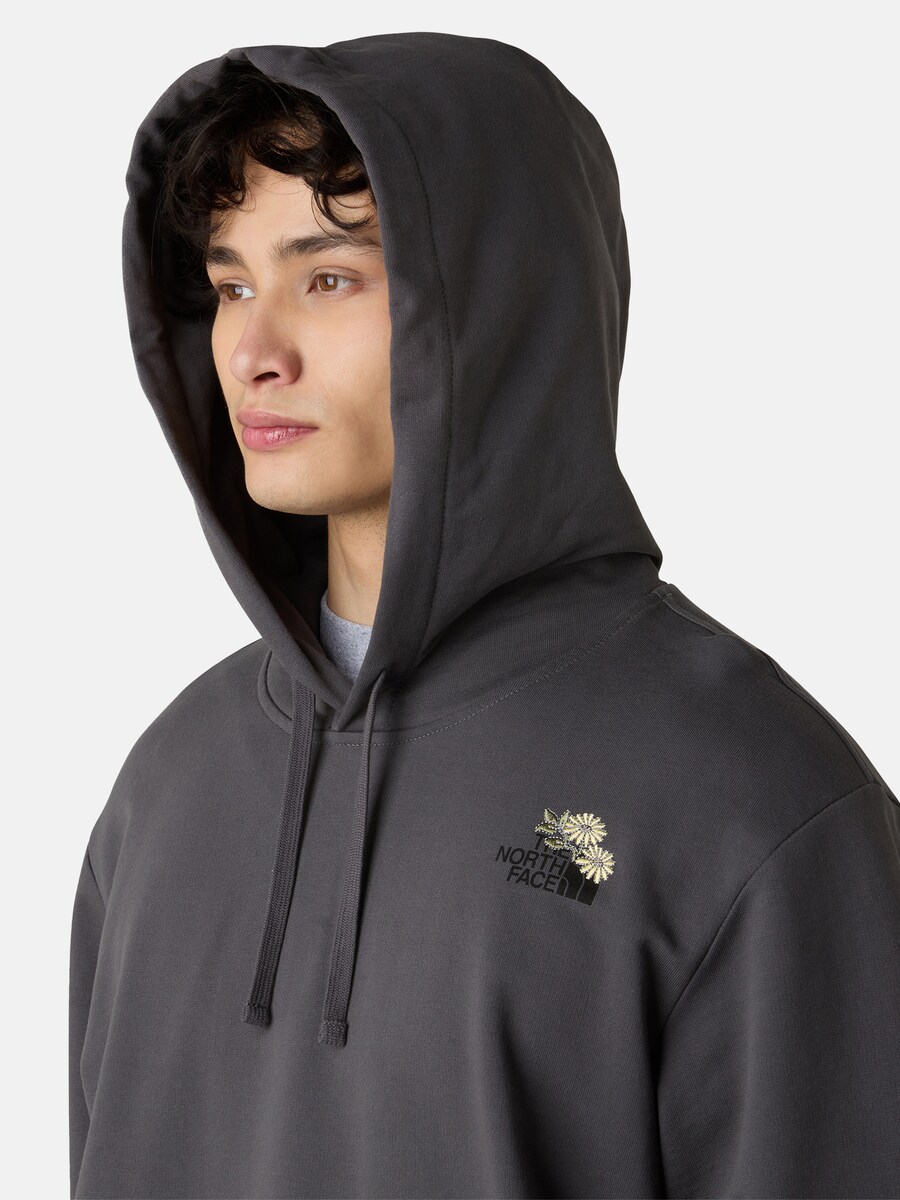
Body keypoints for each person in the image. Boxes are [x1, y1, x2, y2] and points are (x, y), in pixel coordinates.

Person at [68, 32, 900, 1200]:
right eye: (231, 286)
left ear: (500, 308)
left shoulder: (752, 802)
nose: (252, 351)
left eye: (328, 278)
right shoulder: (168, 786)